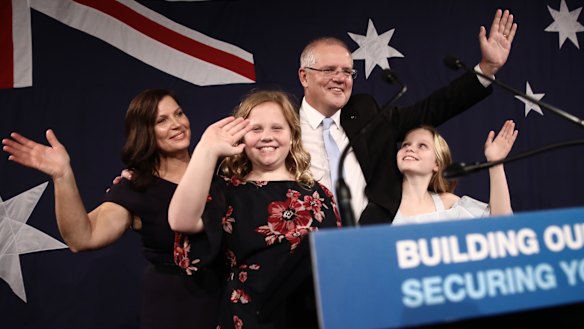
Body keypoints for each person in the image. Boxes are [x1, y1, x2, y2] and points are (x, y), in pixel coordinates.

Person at [1, 89, 224, 329]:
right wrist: (63, 175)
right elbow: (82, 238)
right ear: (145, 132)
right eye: (162, 120)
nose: (177, 124)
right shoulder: (137, 189)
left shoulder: (223, 171)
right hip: (176, 309)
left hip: (232, 300)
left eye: (179, 114)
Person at [297, 9, 518, 225]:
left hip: (375, 240)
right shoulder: (285, 125)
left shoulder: (365, 112)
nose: (340, 78)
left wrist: (486, 69)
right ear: (304, 76)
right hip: (309, 249)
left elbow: (432, 109)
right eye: (329, 70)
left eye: (347, 72)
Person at [168, 89, 341, 328]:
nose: (266, 137)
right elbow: (181, 221)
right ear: (240, 137)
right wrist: (206, 149)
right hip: (249, 317)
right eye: (255, 129)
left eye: (277, 128)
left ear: (292, 135)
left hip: (309, 318)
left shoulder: (319, 194)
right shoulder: (226, 192)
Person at [393, 120, 517, 224]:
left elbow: (502, 226)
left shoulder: (449, 204)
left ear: (437, 163)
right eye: (405, 145)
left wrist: (495, 163)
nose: (409, 148)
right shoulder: (379, 204)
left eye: (422, 145)